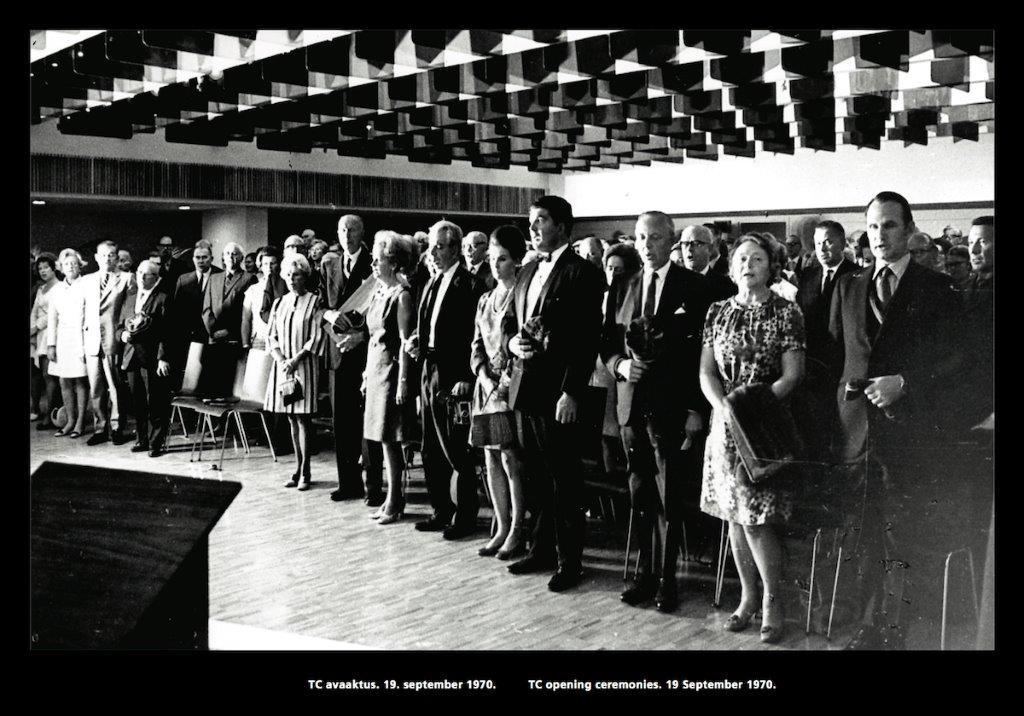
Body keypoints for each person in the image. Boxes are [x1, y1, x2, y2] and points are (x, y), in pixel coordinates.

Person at [830, 191, 962, 650]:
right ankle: (867, 625)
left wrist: (906, 381)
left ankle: (893, 630)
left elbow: (957, 361)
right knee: (863, 532)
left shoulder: (935, 287)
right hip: (858, 434)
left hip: (910, 433)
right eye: (871, 227)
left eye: (889, 226)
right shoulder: (848, 286)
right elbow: (834, 356)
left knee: (900, 534)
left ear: (908, 229)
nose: (879, 235)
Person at [603, 211, 720, 612]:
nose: (646, 245)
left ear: (670, 241)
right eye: (640, 238)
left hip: (672, 407)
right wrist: (619, 365)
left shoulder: (695, 286)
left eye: (654, 237)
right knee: (639, 493)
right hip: (631, 405)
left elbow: (703, 356)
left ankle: (668, 580)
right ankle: (645, 573)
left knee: (669, 497)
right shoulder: (624, 285)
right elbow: (607, 342)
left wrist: (694, 408)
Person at [699, 232, 806, 643]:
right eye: (741, 258)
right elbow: (707, 370)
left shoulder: (786, 311)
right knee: (734, 518)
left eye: (757, 258)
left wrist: (751, 408)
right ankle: (746, 596)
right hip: (724, 427)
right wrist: (724, 407)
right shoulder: (717, 311)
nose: (748, 265)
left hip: (762, 427)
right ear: (731, 267)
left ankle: (773, 602)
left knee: (759, 521)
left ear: (770, 266)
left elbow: (793, 374)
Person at [504, 195, 605, 592]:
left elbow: (586, 340)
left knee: (564, 479)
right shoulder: (527, 269)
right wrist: (513, 345)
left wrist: (572, 392)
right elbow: (516, 323)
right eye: (531, 221)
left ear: (563, 226)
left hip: (558, 393)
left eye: (541, 220)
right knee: (534, 475)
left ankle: (570, 561)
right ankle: (541, 548)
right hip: (524, 387)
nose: (533, 228)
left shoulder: (584, 273)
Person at [407, 220, 484, 540]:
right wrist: (416, 341)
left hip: (455, 376)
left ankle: (465, 515)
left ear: (455, 248)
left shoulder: (469, 285)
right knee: (430, 446)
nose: (433, 253)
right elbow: (429, 326)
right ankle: (441, 510)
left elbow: (475, 336)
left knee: (457, 448)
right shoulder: (431, 283)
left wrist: (467, 377)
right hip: (429, 369)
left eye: (439, 247)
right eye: (432, 247)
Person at [350, 232, 418, 523]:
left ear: (393, 263)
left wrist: (403, 381)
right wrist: (366, 374)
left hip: (392, 372)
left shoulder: (402, 295)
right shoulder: (378, 292)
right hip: (375, 370)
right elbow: (370, 338)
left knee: (391, 438)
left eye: (378, 260)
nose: (373, 265)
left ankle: (395, 500)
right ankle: (391, 499)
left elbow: (406, 341)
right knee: (379, 437)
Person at [470, 225, 528, 557]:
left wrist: (502, 380)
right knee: (491, 457)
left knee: (511, 459)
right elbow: (476, 346)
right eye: (492, 258)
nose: (496, 265)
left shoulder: (521, 296)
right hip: (486, 389)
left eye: (502, 259)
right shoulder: (484, 300)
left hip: (509, 391)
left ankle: (518, 529)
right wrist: (483, 375)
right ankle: (502, 524)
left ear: (516, 260)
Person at [321, 214, 384, 504]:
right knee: (342, 422)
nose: (347, 234)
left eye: (353, 229)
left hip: (364, 351)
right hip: (337, 351)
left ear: (363, 232)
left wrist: (361, 336)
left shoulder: (374, 263)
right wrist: (329, 313)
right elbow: (321, 302)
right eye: (342, 230)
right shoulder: (329, 263)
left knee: (368, 422)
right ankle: (347, 483)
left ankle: (373, 486)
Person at [794, 220, 857, 464]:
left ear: (842, 243)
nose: (822, 248)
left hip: (842, 362)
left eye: (829, 242)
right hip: (812, 364)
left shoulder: (856, 274)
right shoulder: (808, 275)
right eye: (818, 243)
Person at [264, 255, 325, 491]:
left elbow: (316, 337)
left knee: (303, 418)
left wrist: (295, 359)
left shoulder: (315, 301)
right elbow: (271, 336)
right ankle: (297, 469)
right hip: (283, 369)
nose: (291, 279)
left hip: (304, 367)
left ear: (305, 276)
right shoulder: (280, 303)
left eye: (296, 274)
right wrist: (282, 360)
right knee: (290, 417)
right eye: (288, 275)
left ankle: (306, 471)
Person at [116, 259, 173, 457]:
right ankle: (142, 439)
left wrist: (163, 358)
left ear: (156, 278)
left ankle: (156, 442)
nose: (140, 277)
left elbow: (169, 333)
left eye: (146, 274)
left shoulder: (163, 298)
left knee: (155, 402)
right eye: (139, 272)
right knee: (137, 402)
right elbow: (119, 327)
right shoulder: (130, 297)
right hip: (131, 357)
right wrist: (123, 335)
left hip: (152, 360)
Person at [594, 242, 641, 476]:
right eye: (609, 268)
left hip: (622, 369)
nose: (613, 274)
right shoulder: (600, 295)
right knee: (604, 432)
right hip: (602, 367)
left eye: (618, 269)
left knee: (620, 431)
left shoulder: (631, 294)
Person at [82, 240, 133, 445]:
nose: (107, 258)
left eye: (111, 254)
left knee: (116, 387)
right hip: (92, 339)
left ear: (117, 257)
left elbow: (130, 311)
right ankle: (100, 428)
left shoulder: (127, 279)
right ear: (96, 257)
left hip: (114, 339)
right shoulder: (87, 280)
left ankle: (117, 427)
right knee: (96, 388)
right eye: (103, 255)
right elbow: (82, 311)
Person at [201, 242, 256, 397]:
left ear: (242, 257)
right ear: (223, 258)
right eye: (227, 254)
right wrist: (213, 331)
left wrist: (227, 331)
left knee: (230, 385)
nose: (231, 257)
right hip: (214, 340)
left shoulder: (249, 278)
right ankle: (216, 420)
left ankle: (229, 420)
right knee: (213, 384)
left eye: (235, 253)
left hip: (233, 339)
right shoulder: (213, 278)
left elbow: (246, 313)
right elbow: (206, 308)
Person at [46, 249, 90, 439]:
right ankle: (70, 421)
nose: (71, 266)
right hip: (63, 340)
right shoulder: (56, 290)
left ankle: (80, 422)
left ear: (80, 265)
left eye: (74, 263)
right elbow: (52, 319)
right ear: (61, 268)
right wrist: (51, 345)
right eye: (67, 264)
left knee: (80, 380)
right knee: (64, 380)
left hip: (81, 338)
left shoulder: (87, 285)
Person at [31, 254, 62, 430]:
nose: (43, 271)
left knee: (50, 376)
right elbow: (34, 311)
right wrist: (32, 329)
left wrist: (35, 327)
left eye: (46, 267)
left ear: (53, 268)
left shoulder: (59, 287)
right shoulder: (41, 289)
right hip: (40, 336)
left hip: (52, 333)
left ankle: (50, 416)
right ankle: (52, 413)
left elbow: (52, 314)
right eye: (40, 268)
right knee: (44, 375)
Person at [679, 225, 738, 299]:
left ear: (710, 249)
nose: (689, 249)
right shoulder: (671, 283)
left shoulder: (727, 286)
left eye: (696, 243)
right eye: (685, 244)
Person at [241, 246, 281, 352]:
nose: (269, 267)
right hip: (259, 340)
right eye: (266, 264)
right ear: (260, 266)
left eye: (273, 263)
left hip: (281, 341)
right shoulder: (253, 290)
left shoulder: (286, 287)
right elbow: (246, 319)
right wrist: (245, 343)